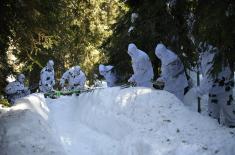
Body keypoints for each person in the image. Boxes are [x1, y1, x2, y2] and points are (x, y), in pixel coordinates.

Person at [191, 43, 235, 127]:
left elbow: (209, 78)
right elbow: (202, 70)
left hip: (223, 89)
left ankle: (232, 128)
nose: (199, 51)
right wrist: (196, 67)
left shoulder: (211, 57)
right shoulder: (205, 55)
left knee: (229, 113)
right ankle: (214, 128)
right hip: (213, 90)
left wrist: (199, 91)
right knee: (212, 117)